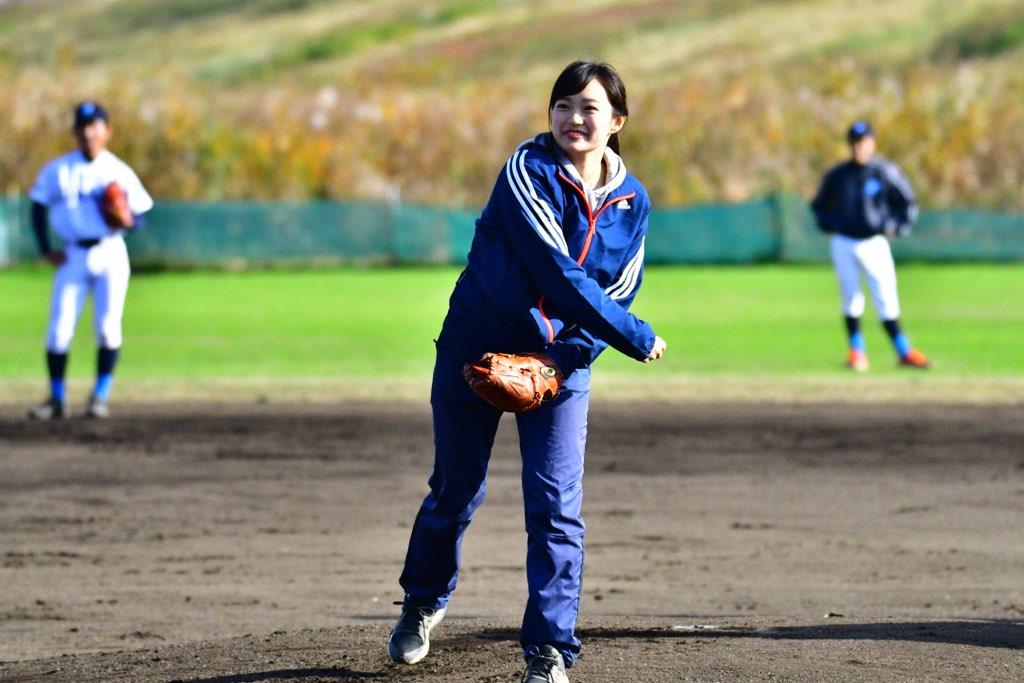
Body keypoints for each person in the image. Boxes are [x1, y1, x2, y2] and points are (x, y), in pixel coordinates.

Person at [387, 61, 666, 683]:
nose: (574, 118)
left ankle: (548, 649)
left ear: (617, 122)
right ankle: (422, 603)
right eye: (563, 104)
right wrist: (636, 336)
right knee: (455, 489)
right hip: (476, 348)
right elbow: (557, 274)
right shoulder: (526, 171)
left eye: (590, 108)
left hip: (560, 363)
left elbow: (616, 291)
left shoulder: (632, 202)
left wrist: (560, 360)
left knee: (556, 505)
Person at [27, 101, 153, 420]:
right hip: (73, 254)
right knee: (59, 330)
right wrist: (45, 249)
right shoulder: (59, 170)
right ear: (75, 131)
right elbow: (37, 205)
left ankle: (100, 395)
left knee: (109, 328)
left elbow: (140, 215)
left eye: (95, 124)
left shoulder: (118, 170)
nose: (88, 131)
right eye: (83, 125)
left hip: (111, 252)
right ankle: (57, 398)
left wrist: (127, 220)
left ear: (107, 131)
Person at [811, 120, 929, 372]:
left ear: (872, 143)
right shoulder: (839, 175)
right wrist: (832, 223)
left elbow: (907, 202)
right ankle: (856, 351)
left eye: (863, 142)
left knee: (886, 297)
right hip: (844, 241)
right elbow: (819, 206)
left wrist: (897, 226)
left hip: (874, 242)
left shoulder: (884, 171)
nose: (859, 148)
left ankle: (903, 351)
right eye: (854, 143)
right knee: (851, 299)